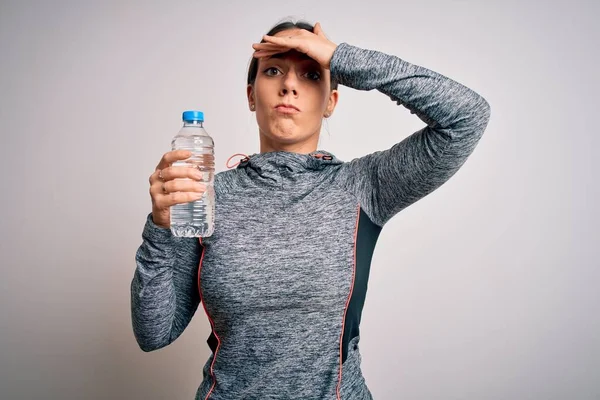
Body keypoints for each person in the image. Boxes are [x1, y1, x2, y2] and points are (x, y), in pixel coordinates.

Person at [131, 19, 491, 400]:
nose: (289, 85)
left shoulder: (364, 186)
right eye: (273, 71)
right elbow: (154, 333)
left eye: (310, 74)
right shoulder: (205, 196)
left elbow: (467, 117)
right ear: (251, 96)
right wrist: (159, 228)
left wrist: (341, 58)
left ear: (330, 101)